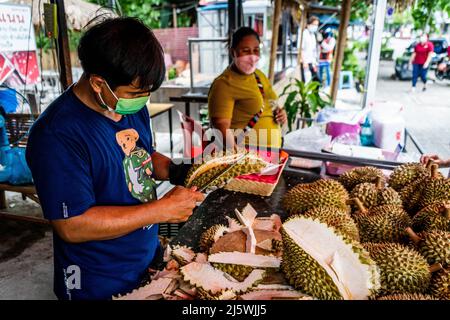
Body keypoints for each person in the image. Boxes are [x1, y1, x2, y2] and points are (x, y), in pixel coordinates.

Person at [25, 17, 203, 300]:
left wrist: (174, 170)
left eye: (145, 93)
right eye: (134, 93)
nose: (140, 101)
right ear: (98, 83)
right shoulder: (56, 135)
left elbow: (140, 155)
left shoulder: (130, 106)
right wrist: (161, 209)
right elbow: (72, 225)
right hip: (97, 280)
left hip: (145, 258)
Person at [207, 27, 287, 150]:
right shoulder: (224, 84)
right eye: (246, 50)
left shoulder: (259, 75)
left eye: (256, 50)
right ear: (233, 52)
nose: (252, 56)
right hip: (247, 157)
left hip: (271, 153)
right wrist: (238, 159)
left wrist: (281, 113)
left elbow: (270, 102)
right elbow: (221, 128)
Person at [301, 16, 320, 83]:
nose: (315, 26)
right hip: (305, 62)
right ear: (308, 24)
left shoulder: (313, 35)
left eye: (317, 25)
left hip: (312, 62)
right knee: (307, 81)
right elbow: (301, 49)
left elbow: (313, 50)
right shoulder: (304, 33)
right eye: (314, 24)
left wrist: (315, 63)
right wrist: (304, 62)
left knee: (316, 81)